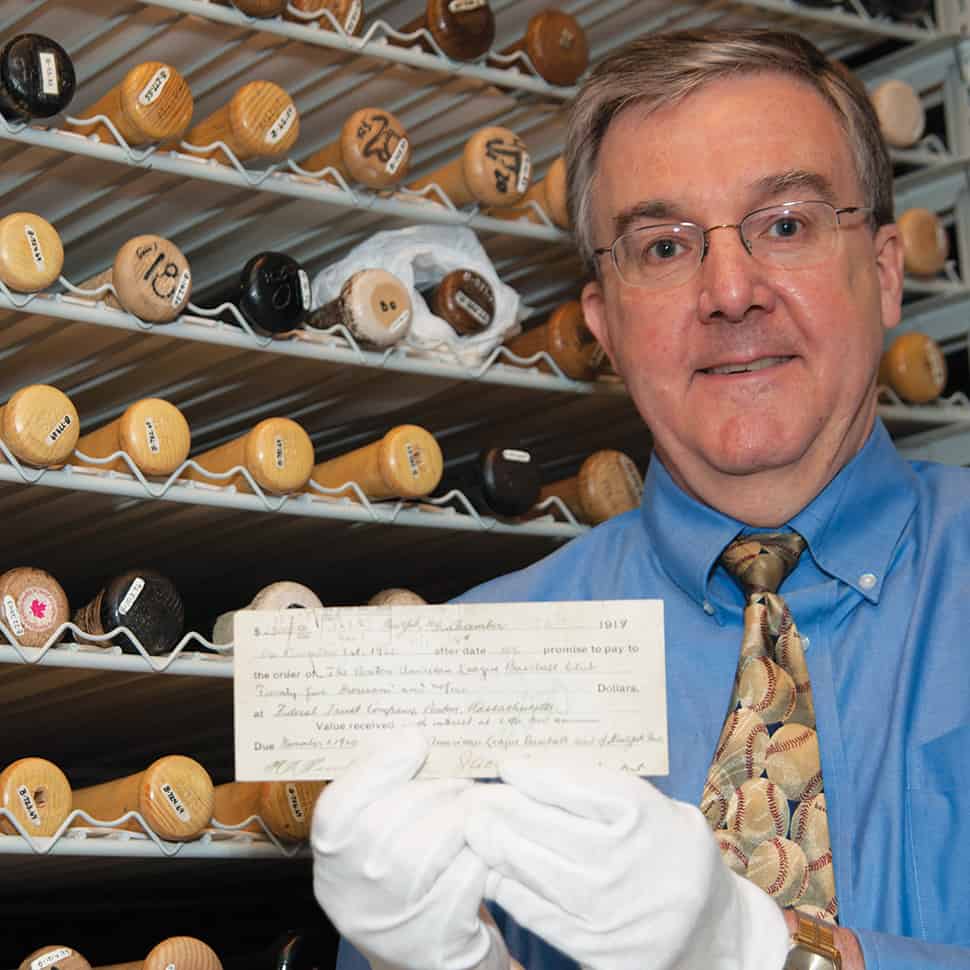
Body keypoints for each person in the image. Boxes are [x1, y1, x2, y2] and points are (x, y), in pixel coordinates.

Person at [312, 28, 970, 970]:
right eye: (663, 247)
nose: (731, 292)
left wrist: (769, 956)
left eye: (784, 224)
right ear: (604, 327)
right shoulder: (482, 667)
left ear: (883, 273)